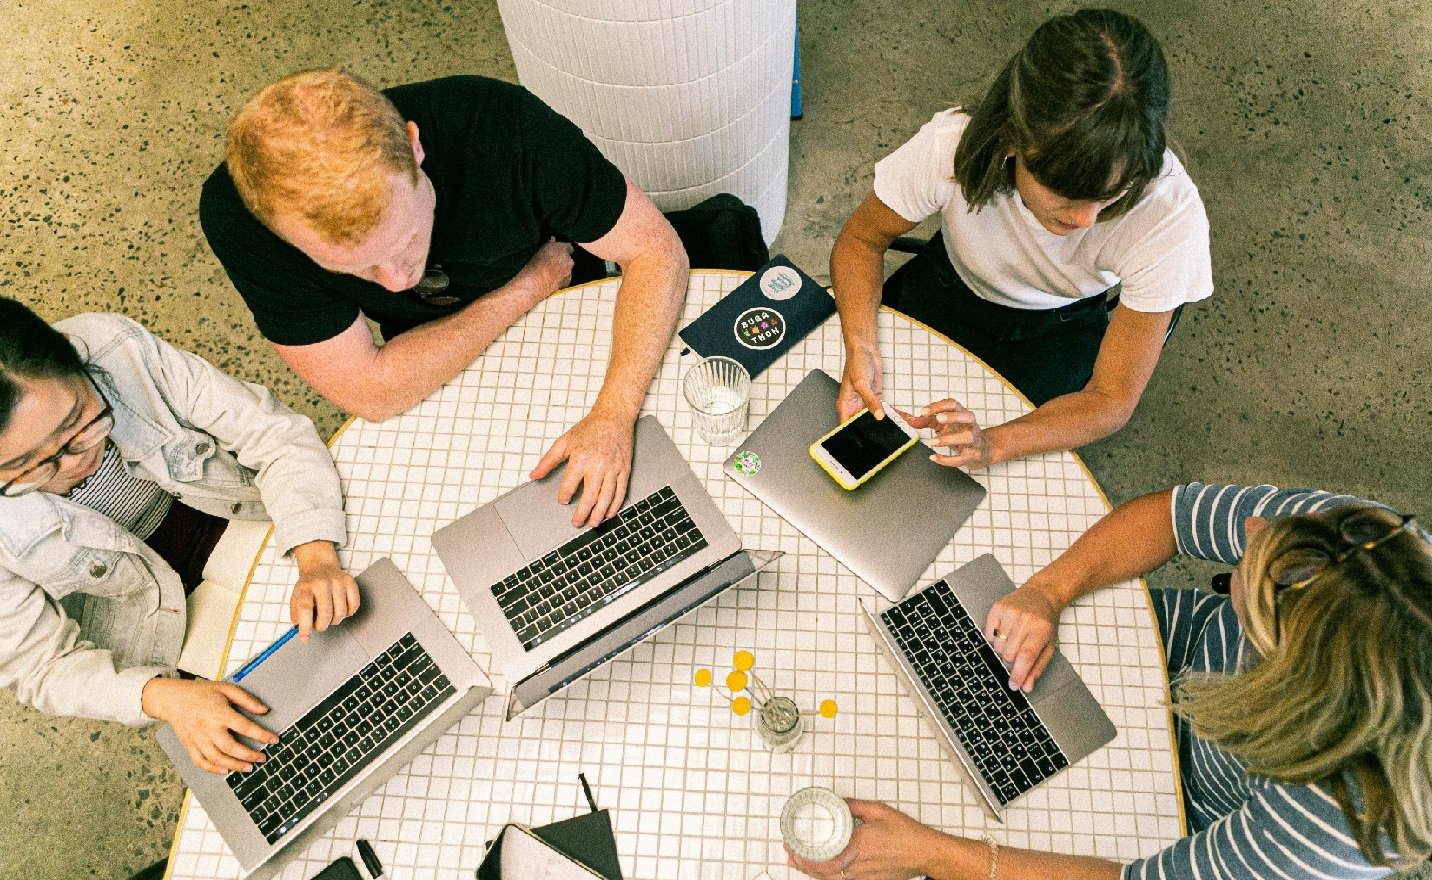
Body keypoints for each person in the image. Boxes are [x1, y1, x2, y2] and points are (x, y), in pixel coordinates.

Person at [788, 482, 1432, 879]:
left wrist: (930, 856)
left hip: (1181, 820)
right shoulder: (1357, 546)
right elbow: (1170, 515)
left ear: (1283, 670)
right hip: (1166, 653)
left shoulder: (1336, 824)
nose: (1254, 529)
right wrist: (1047, 591)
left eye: (1257, 564)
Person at [200, 70, 689, 528]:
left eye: (407, 238)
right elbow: (370, 393)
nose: (396, 282)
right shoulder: (239, 217)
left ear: (414, 148)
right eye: (356, 268)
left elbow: (654, 251)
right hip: (460, 342)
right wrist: (527, 286)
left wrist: (612, 414)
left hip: (582, 308)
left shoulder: (500, 125)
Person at [831, 9, 1212, 470]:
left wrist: (993, 443)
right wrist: (862, 345)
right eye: (1067, 193)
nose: (1088, 219)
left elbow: (1110, 398)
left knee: (980, 476)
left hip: (1060, 328)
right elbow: (861, 241)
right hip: (946, 286)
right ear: (1011, 140)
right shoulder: (949, 147)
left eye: (1113, 194)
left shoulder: (1169, 214)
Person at [0, 297, 359, 775]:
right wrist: (161, 695)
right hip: (149, 627)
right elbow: (38, 665)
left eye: (77, 426)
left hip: (238, 515)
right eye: (27, 467)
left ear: (73, 353)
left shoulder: (115, 348)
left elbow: (273, 434)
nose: (73, 465)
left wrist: (315, 554)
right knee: (293, 743)